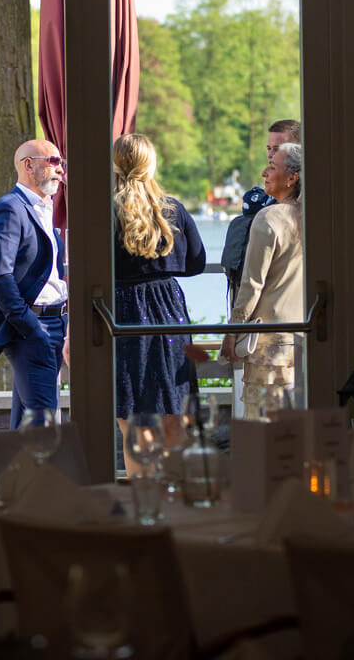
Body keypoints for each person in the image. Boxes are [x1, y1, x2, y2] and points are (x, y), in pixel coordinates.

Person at [110, 134, 207, 475]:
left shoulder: (105, 209)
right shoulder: (172, 208)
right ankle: (174, 494)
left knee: (133, 421)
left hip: (123, 311)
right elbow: (196, 263)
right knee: (173, 411)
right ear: (151, 164)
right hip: (167, 309)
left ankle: (142, 495)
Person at [0, 139, 68, 428]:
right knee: (44, 420)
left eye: (61, 163)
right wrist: (28, 325)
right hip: (32, 328)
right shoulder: (9, 209)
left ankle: (12, 474)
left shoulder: (45, 209)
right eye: (53, 161)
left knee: (27, 420)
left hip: (55, 324)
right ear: (28, 165)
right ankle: (44, 474)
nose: (60, 169)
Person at [224, 142, 304, 411]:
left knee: (263, 429)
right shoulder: (315, 218)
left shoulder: (268, 218)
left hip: (269, 344)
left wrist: (232, 332)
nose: (263, 173)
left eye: (272, 167)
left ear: (292, 177)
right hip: (304, 338)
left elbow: (251, 285)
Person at [221, 118, 300, 305]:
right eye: (268, 148)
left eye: (278, 148)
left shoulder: (305, 207)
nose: (271, 154)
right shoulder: (258, 201)